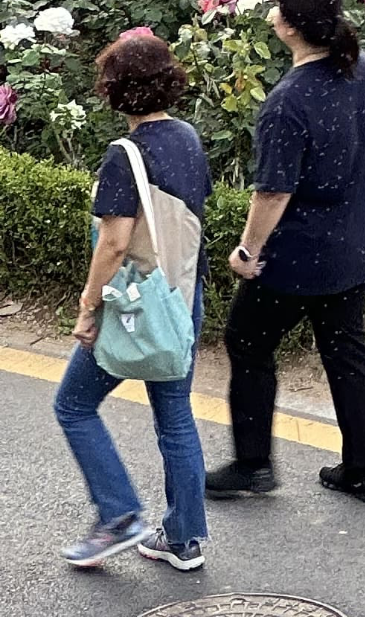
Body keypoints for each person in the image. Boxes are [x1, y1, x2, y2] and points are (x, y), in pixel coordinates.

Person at [208, 0, 365, 508]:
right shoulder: (364, 71)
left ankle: (253, 463)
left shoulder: (288, 101)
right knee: (346, 349)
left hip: (298, 255)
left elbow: (272, 194)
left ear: (287, 26)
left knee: (247, 340)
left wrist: (247, 252)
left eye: (276, 7)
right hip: (355, 242)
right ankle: (360, 470)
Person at [55, 29, 211, 571]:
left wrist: (87, 304)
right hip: (181, 299)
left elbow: (116, 242)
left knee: (73, 406)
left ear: (116, 91)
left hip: (134, 308)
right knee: (175, 417)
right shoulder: (188, 139)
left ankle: (118, 515)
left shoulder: (124, 156)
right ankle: (185, 538)